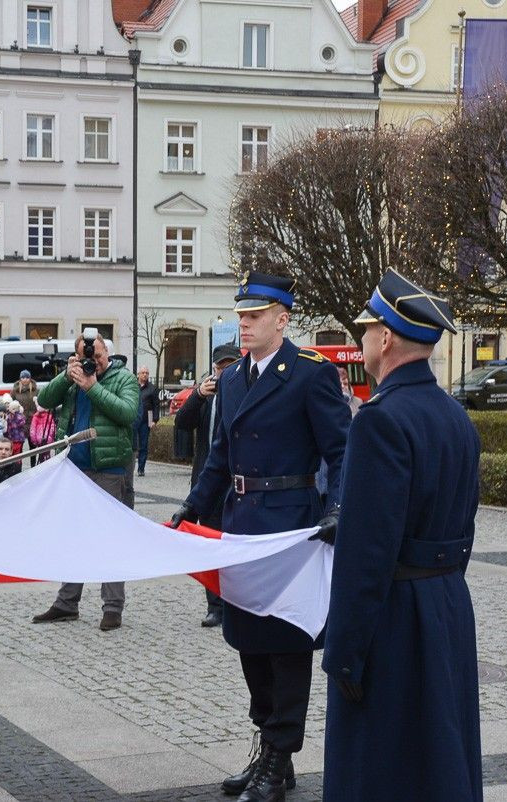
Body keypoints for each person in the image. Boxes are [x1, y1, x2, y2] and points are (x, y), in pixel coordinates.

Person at [169, 273, 348, 802]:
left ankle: (280, 752)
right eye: (241, 316)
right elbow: (220, 457)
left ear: (282, 319)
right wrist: (193, 505)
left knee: (287, 643)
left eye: (254, 316)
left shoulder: (310, 373)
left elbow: (342, 451)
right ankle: (270, 747)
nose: (243, 325)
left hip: (291, 526)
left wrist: (338, 508)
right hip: (242, 525)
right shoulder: (231, 380)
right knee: (248, 637)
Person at [320, 269, 482, 802]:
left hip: (393, 621)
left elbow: (365, 552)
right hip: (447, 604)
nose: (363, 336)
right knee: (439, 759)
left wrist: (345, 651)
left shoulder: (379, 420)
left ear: (386, 338)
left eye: (368, 328)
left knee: (382, 769)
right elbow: (465, 525)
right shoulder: (456, 417)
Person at [31, 332, 138, 631]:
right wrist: (66, 376)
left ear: (108, 353)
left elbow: (128, 413)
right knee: (72, 536)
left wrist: (92, 387)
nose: (94, 362)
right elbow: (44, 401)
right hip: (74, 469)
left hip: (109, 469)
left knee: (110, 538)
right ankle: (67, 603)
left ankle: (112, 607)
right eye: (86, 357)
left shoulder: (124, 378)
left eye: (98, 356)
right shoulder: (73, 378)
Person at [173, 342, 242, 628]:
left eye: (229, 367)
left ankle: (236, 603)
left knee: (234, 545)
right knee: (210, 544)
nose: (224, 373)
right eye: (219, 368)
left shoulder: (244, 391)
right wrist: (198, 396)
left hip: (236, 483)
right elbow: (182, 423)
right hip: (206, 481)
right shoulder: (207, 396)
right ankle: (215, 605)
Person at [134, 367, 160, 477]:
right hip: (133, 419)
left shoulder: (152, 389)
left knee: (143, 445)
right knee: (131, 444)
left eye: (147, 373)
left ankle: (141, 468)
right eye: (143, 373)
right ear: (138, 374)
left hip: (146, 420)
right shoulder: (133, 386)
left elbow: (156, 405)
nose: (145, 375)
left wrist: (154, 420)